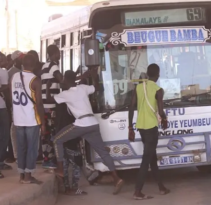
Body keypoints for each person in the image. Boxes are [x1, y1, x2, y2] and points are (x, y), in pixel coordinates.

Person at [46, 69, 124, 195]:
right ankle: (117, 178)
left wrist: (49, 86)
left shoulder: (65, 94)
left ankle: (60, 169)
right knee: (103, 153)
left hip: (81, 123)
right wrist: (94, 76)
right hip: (93, 123)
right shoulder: (83, 88)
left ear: (66, 80)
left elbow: (49, 100)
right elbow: (97, 87)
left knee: (57, 140)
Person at [128, 63, 170, 200]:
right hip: (151, 128)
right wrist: (164, 119)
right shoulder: (158, 90)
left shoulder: (139, 87)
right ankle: (137, 191)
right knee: (147, 159)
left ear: (147, 73)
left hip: (140, 127)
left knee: (152, 157)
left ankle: (161, 187)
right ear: (158, 74)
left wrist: (130, 127)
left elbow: (131, 107)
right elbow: (161, 110)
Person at [11, 54, 46, 183]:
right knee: (32, 148)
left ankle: (21, 174)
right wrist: (42, 122)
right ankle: (28, 176)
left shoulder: (15, 77)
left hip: (18, 119)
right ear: (35, 64)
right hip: (31, 119)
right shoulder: (35, 80)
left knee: (21, 147)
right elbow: (39, 104)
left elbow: (11, 95)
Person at [0, 52, 12, 178]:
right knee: (4, 134)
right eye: (2, 59)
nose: (5, 61)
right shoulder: (3, 72)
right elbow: (6, 89)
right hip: (1, 107)